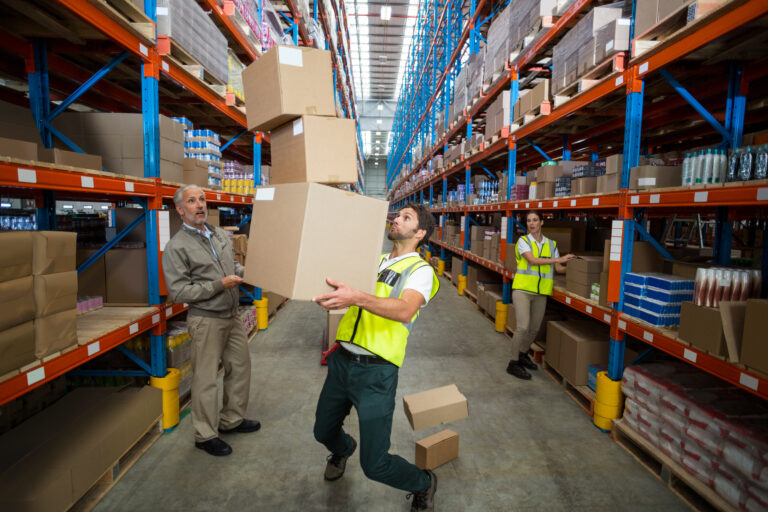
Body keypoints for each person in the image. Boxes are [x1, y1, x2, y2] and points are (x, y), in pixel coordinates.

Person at [312, 203, 440, 512]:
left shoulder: (420, 271)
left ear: (420, 233)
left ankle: (423, 481)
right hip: (342, 360)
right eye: (398, 215)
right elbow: (353, 298)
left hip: (376, 372)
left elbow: (405, 309)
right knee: (323, 431)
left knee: (375, 464)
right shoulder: (378, 261)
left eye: (405, 217)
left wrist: (355, 296)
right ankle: (344, 448)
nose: (396, 219)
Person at [163, 184, 261, 456]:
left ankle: (232, 419)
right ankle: (205, 434)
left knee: (240, 367)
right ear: (180, 210)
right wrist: (219, 285)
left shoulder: (218, 234)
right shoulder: (176, 247)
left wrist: (256, 271)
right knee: (205, 378)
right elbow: (179, 292)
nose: (200, 205)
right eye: (192, 201)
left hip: (232, 316)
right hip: (206, 319)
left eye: (202, 200)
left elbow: (234, 268)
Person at [506, 211, 574, 380]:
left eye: (535, 220)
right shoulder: (523, 241)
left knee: (534, 328)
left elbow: (559, 269)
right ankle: (513, 363)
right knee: (522, 327)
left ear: (542, 222)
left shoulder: (552, 245)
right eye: (529, 221)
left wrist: (575, 268)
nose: (532, 223)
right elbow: (533, 260)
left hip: (541, 292)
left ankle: (522, 354)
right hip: (522, 290)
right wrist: (558, 260)